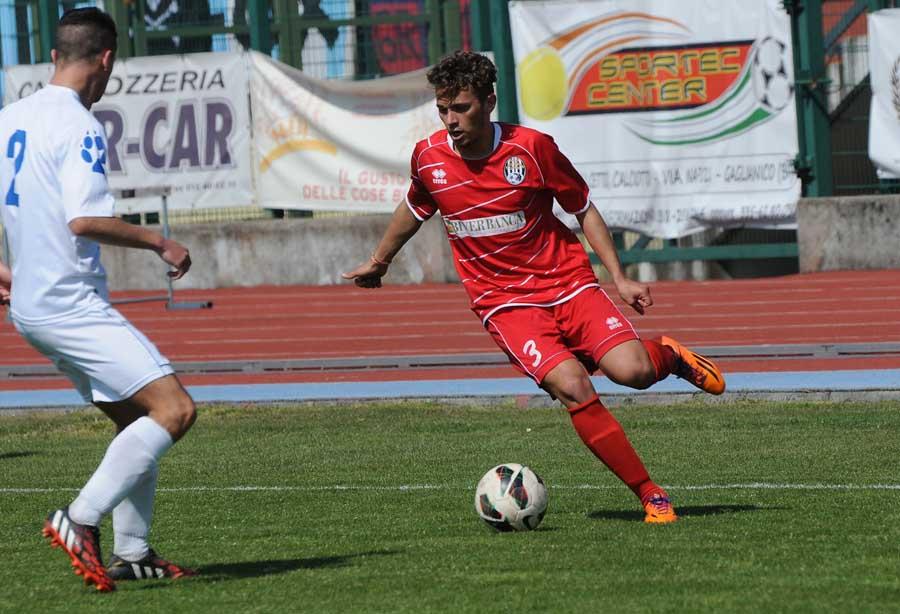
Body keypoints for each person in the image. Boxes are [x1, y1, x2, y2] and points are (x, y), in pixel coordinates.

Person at [343, 51, 726, 524]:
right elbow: (415, 207)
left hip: (569, 284)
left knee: (633, 372)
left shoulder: (532, 149)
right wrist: (380, 261)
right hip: (504, 304)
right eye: (442, 109)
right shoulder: (429, 157)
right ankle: (650, 493)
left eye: (460, 108)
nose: (450, 121)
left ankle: (667, 355)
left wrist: (619, 278)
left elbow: (582, 206)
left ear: (489, 101)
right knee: (572, 385)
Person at [0, 8, 197, 591]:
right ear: (107, 59)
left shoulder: (10, 117)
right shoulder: (80, 124)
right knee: (174, 410)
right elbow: (85, 220)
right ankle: (79, 519)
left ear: (56, 55)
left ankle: (132, 551)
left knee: (134, 419)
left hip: (32, 308)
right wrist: (159, 241)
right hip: (68, 303)